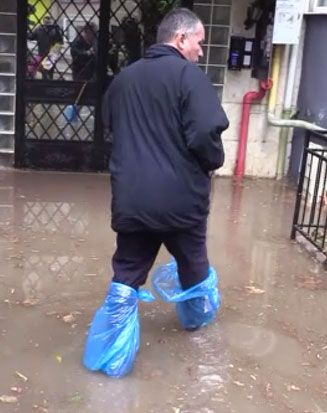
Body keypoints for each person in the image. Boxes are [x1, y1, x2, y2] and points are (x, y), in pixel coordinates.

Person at [82, 8, 229, 378]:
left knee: (128, 271)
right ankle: (196, 330)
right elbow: (205, 137)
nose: (200, 51)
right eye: (198, 42)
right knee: (194, 265)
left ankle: (110, 358)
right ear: (181, 39)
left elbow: (111, 123)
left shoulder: (124, 81)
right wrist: (212, 161)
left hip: (133, 199)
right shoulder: (190, 79)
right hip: (182, 202)